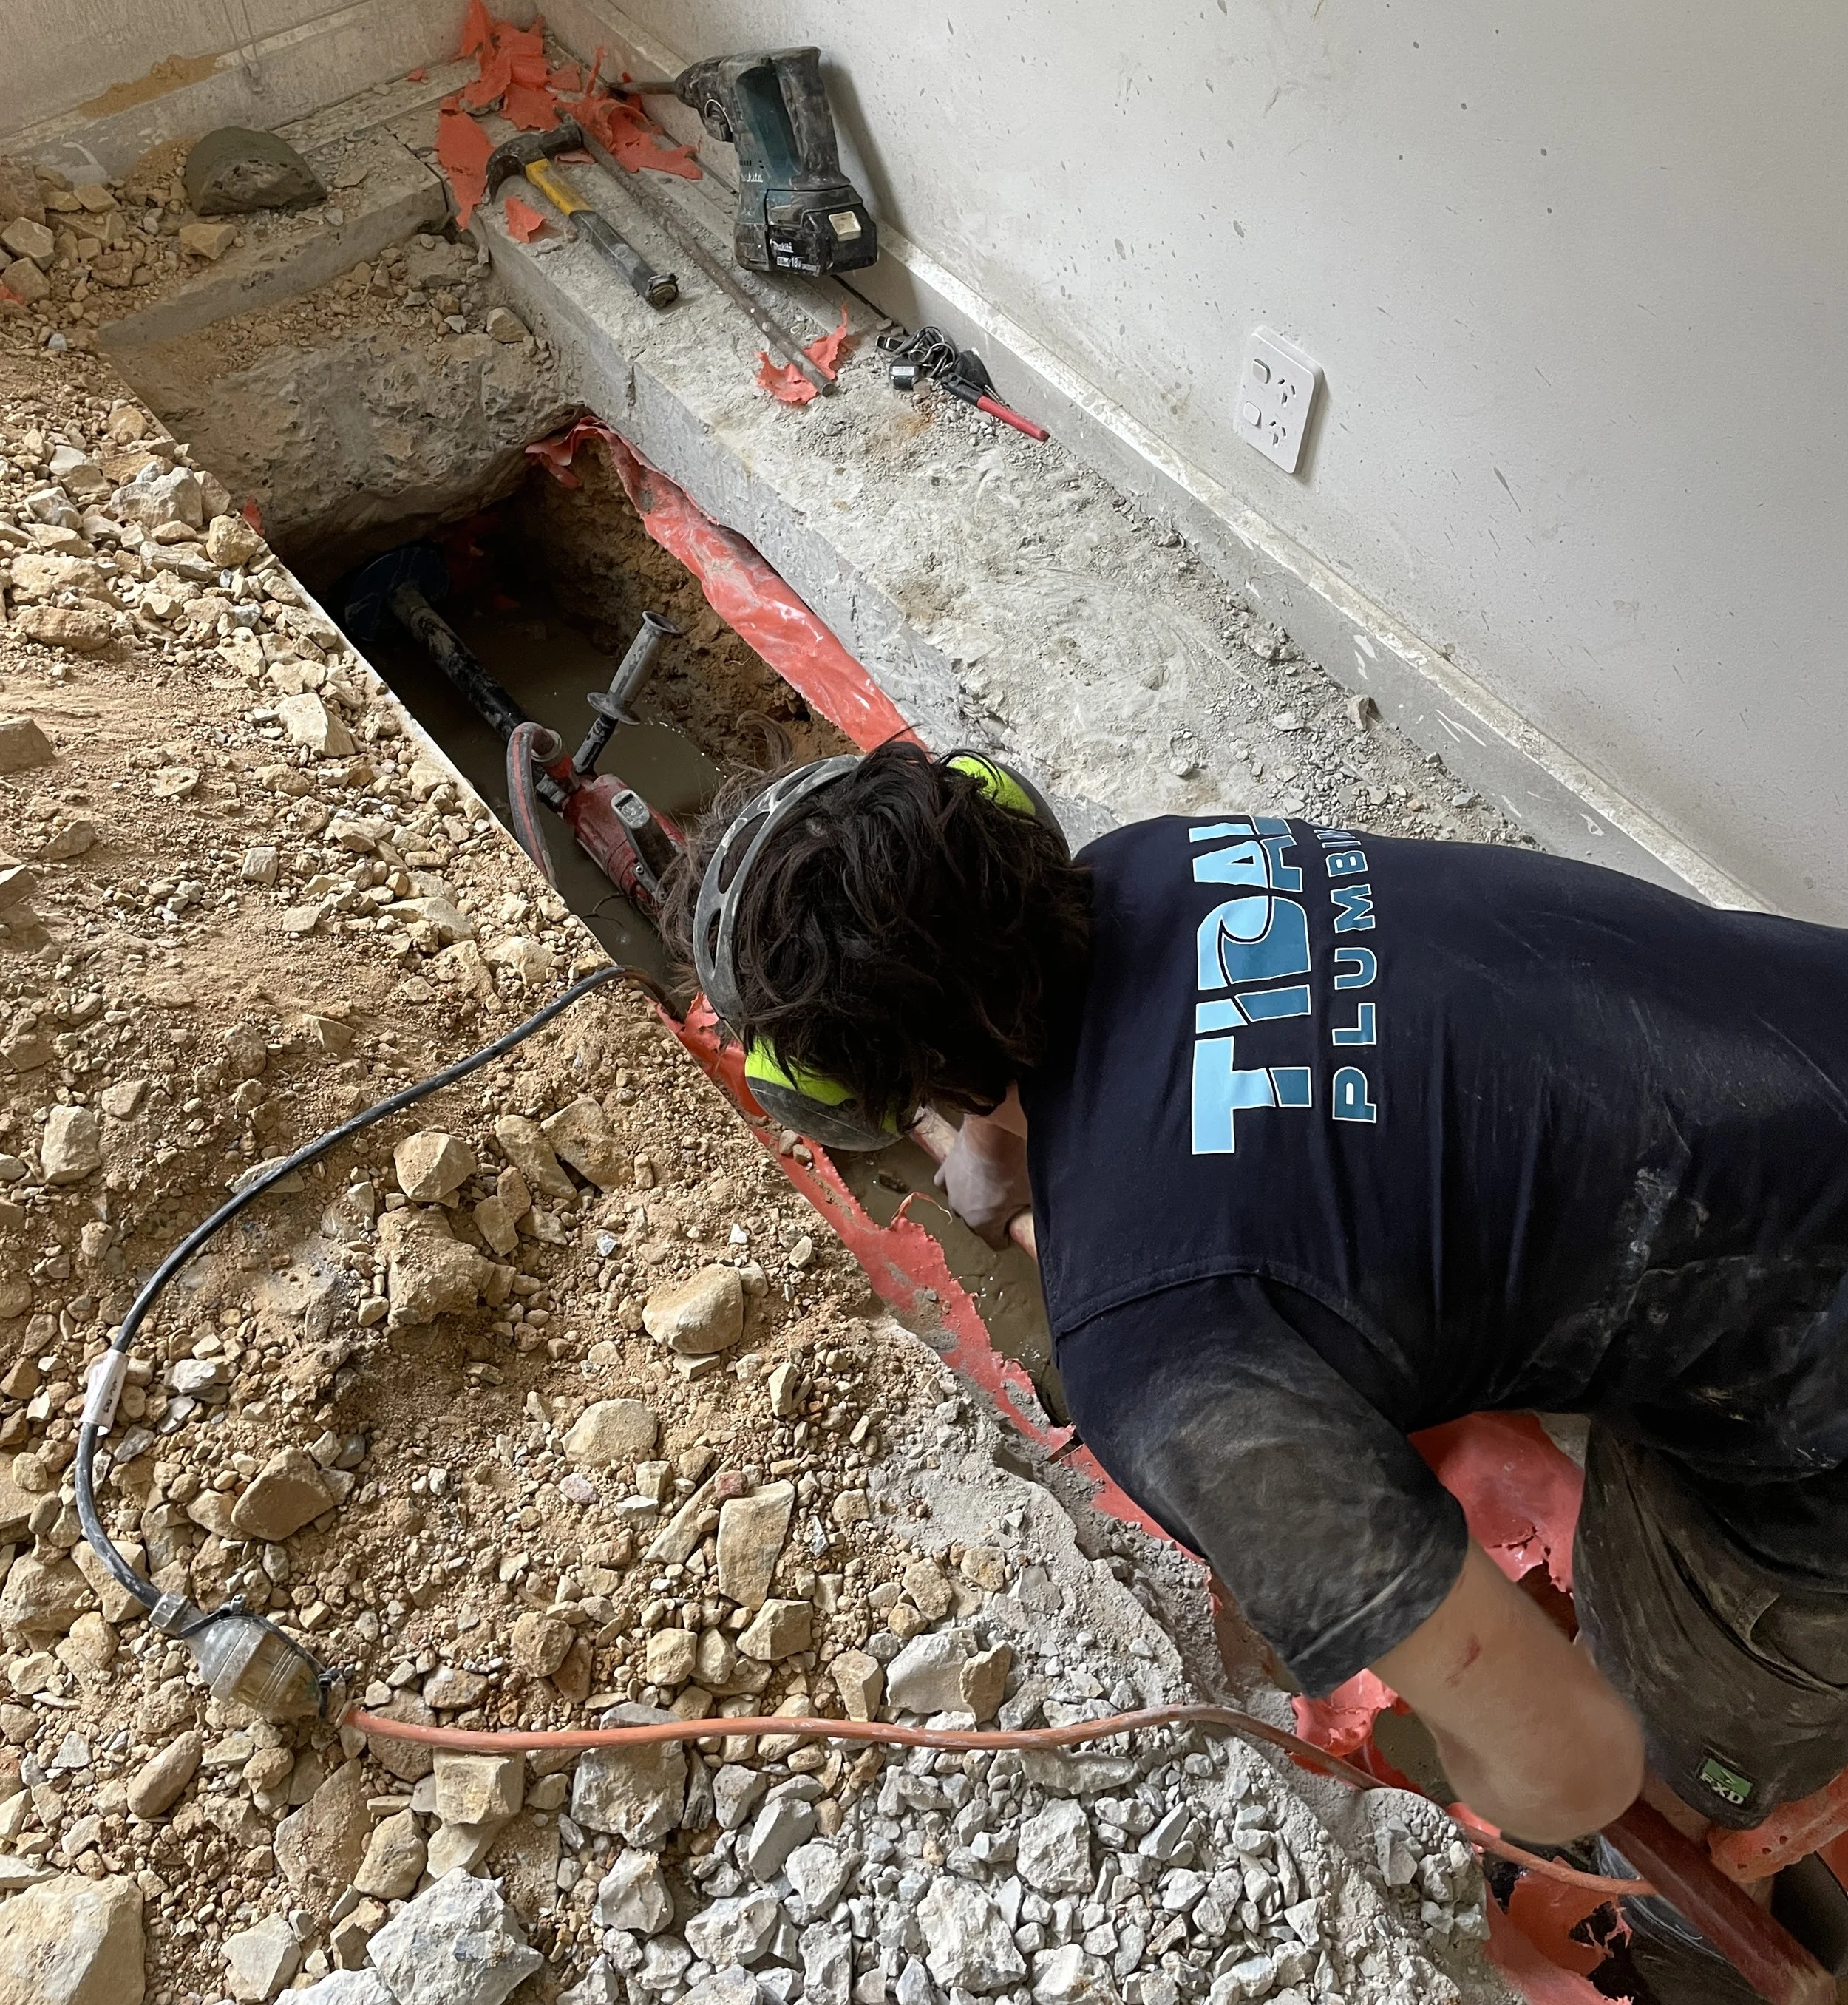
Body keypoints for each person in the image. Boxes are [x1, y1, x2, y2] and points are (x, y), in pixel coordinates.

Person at [667, 739, 1848, 1873]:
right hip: (1799, 1063)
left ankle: (1731, 1823)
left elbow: (1580, 1769)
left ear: (849, 1097)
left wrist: (1499, 1785)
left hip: (1815, 1421)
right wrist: (997, 1139)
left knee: (1663, 1708)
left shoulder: (1165, 1363)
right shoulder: (1173, 862)